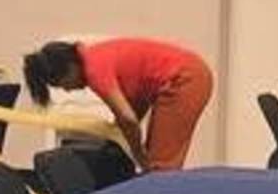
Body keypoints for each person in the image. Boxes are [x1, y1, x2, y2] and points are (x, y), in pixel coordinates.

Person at [24, 33, 216, 170]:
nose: (67, 89)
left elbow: (128, 119)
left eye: (61, 83)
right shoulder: (95, 56)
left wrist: (139, 156)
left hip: (184, 79)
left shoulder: (94, 70)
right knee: (160, 164)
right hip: (190, 73)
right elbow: (133, 106)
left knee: (160, 168)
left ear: (70, 68)